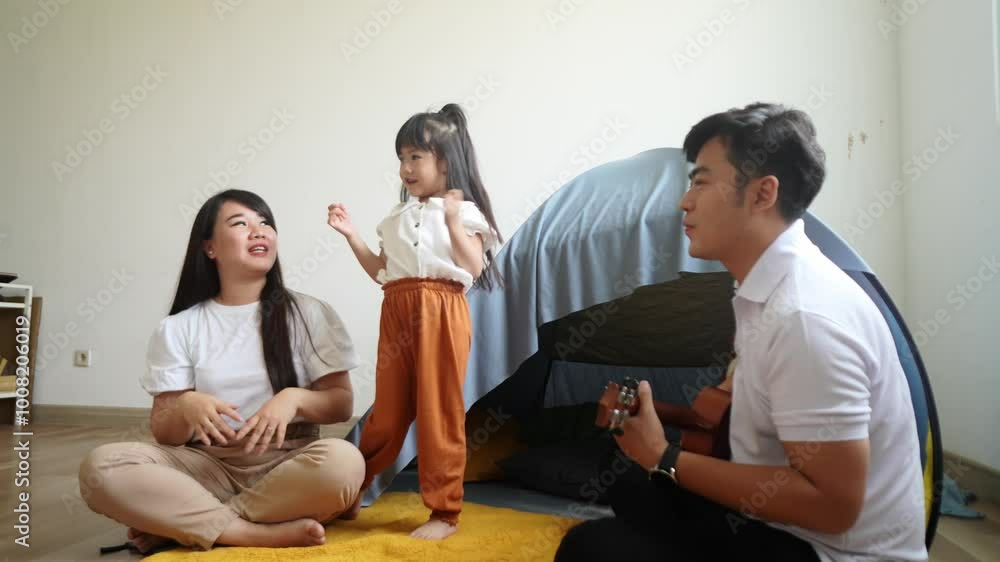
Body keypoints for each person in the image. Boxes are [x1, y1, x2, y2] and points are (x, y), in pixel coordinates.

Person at [556, 103, 928, 561]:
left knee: (589, 550)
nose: (684, 201)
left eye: (701, 181)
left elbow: (834, 507)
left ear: (762, 193)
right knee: (632, 485)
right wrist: (653, 436)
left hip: (830, 550)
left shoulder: (806, 318)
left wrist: (663, 455)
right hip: (779, 523)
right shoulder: (763, 292)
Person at [78, 189, 365, 553]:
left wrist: (293, 400)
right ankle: (252, 532)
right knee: (101, 467)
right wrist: (184, 407)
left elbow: (340, 404)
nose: (258, 231)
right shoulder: (179, 327)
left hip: (288, 464)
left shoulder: (309, 313)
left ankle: (187, 525)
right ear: (210, 248)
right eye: (240, 223)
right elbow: (164, 433)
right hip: (206, 467)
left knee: (344, 463)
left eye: (265, 223)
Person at [327, 103, 502, 540]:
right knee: (388, 411)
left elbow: (475, 267)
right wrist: (352, 236)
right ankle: (352, 488)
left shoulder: (465, 213)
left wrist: (450, 219)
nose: (405, 167)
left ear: (445, 160)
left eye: (415, 157)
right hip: (398, 308)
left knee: (438, 409)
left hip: (443, 309)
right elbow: (383, 273)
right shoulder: (396, 218)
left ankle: (444, 512)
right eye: (401, 158)